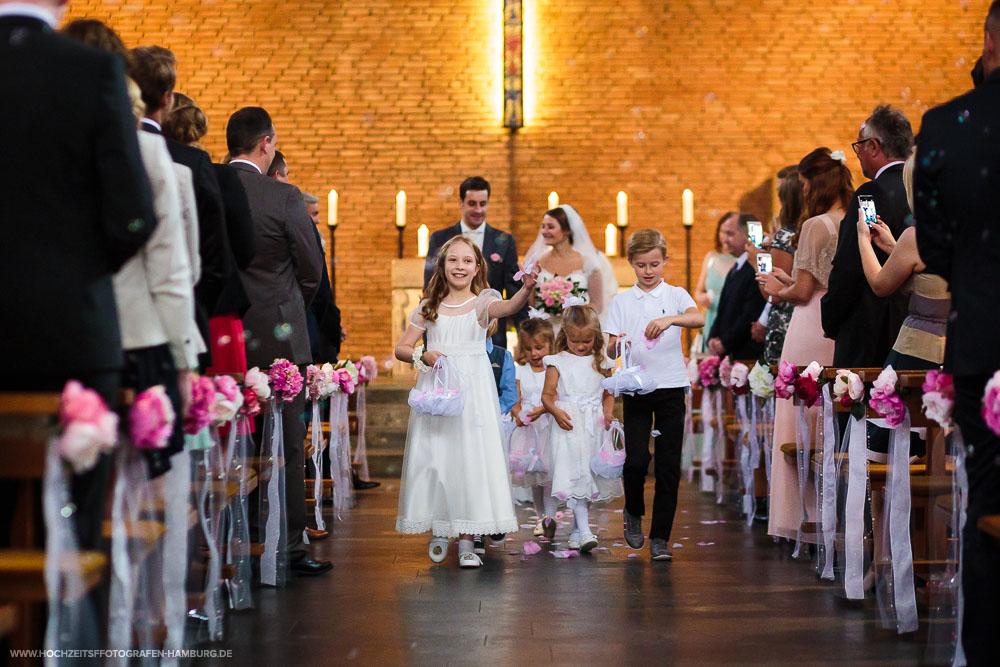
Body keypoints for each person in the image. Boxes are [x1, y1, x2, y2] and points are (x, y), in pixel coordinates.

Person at [0, 0, 157, 553]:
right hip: (70, 335)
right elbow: (133, 212)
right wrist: (78, 275)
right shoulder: (90, 71)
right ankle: (58, 641)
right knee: (67, 537)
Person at [62, 18, 199, 479]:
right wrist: (184, 360)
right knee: (128, 488)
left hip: (50, 337)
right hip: (135, 340)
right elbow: (171, 269)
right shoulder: (143, 150)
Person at [914, 3, 1000, 658]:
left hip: (985, 343)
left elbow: (936, 251)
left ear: (989, 41)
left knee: (989, 506)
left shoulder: (947, 128)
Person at [226, 106, 329, 576]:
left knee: (227, 436)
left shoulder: (209, 184)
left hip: (223, 333)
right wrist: (286, 306)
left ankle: (229, 540)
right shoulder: (282, 196)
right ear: (266, 143)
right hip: (278, 336)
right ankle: (286, 548)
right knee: (286, 442)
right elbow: (312, 270)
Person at [395, 236, 539, 568]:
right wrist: (423, 354)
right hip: (439, 390)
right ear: (442, 266)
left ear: (477, 268)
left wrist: (526, 289)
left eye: (467, 261)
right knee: (439, 458)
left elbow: (508, 307)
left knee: (470, 460)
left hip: (473, 393)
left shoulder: (481, 304)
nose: (460, 267)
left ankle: (466, 540)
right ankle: (440, 525)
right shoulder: (428, 306)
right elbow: (401, 347)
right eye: (453, 261)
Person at [760, 148, 851, 543]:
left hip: (810, 322)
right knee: (828, 419)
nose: (805, 189)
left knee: (800, 421)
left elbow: (804, 291)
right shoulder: (853, 217)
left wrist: (776, 289)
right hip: (839, 323)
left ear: (817, 182)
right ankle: (834, 515)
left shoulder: (816, 224)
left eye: (807, 182)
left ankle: (803, 519)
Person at [605, 229, 704, 561]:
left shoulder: (675, 295)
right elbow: (607, 345)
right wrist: (618, 343)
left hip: (671, 387)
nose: (648, 272)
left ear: (664, 260)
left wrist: (668, 320)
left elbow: (698, 318)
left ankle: (661, 536)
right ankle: (633, 510)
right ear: (631, 263)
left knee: (667, 465)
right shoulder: (621, 301)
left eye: (654, 264)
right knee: (636, 461)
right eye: (641, 265)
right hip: (636, 388)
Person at [131, 45, 231, 369]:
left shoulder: (94, 147)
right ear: (166, 99)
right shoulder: (188, 163)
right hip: (174, 317)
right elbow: (209, 256)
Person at [162, 91, 256, 375]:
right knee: (219, 404)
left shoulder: (141, 162)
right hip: (214, 310)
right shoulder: (220, 176)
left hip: (157, 311)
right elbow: (245, 249)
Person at [821, 105, 914, 368]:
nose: (858, 153)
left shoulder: (873, 192)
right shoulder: (927, 189)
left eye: (859, 145)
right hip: (919, 326)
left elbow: (849, 268)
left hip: (872, 332)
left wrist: (830, 317)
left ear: (874, 146)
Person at [541, 305, 620, 552]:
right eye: (575, 341)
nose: (581, 346)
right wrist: (555, 412)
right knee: (575, 473)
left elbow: (609, 393)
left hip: (593, 423)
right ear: (565, 336)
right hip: (568, 422)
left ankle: (576, 530)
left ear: (596, 337)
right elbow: (546, 396)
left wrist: (608, 413)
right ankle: (585, 531)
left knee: (589, 475)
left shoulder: (602, 362)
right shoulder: (557, 361)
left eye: (587, 341)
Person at [423, 176, 525, 348]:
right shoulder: (440, 238)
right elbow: (430, 286)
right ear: (460, 203)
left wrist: (525, 333)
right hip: (447, 329)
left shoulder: (505, 240)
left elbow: (513, 289)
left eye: (483, 203)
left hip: (491, 332)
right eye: (472, 204)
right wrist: (429, 337)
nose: (478, 210)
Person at [523, 205, 619, 329]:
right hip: (546, 330)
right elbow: (531, 305)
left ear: (567, 230)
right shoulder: (537, 262)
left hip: (578, 329)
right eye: (543, 226)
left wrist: (574, 314)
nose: (544, 231)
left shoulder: (588, 262)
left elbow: (597, 305)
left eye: (551, 227)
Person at [747, 167, 805, 365]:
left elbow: (772, 293)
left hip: (786, 322)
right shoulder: (812, 229)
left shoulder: (786, 236)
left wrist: (757, 261)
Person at [509, 318, 557, 538]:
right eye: (528, 349)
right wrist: (518, 413)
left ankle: (550, 517)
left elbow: (556, 396)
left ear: (550, 345)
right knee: (535, 479)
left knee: (549, 475)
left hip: (549, 426)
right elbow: (515, 399)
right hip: (529, 430)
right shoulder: (521, 371)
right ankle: (541, 518)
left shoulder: (554, 368)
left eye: (539, 347)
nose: (534, 353)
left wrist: (543, 409)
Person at [706, 213, 766, 360]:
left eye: (730, 234)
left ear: (747, 236)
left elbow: (751, 312)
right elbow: (723, 309)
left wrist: (725, 343)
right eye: (723, 233)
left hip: (747, 353)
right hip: (730, 351)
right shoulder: (737, 266)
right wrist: (713, 337)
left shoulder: (755, 267)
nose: (724, 239)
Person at [693, 212, 737, 354]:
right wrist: (702, 298)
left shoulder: (740, 260)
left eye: (730, 232)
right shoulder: (711, 257)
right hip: (711, 315)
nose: (725, 236)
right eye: (723, 231)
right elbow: (698, 291)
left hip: (731, 318)